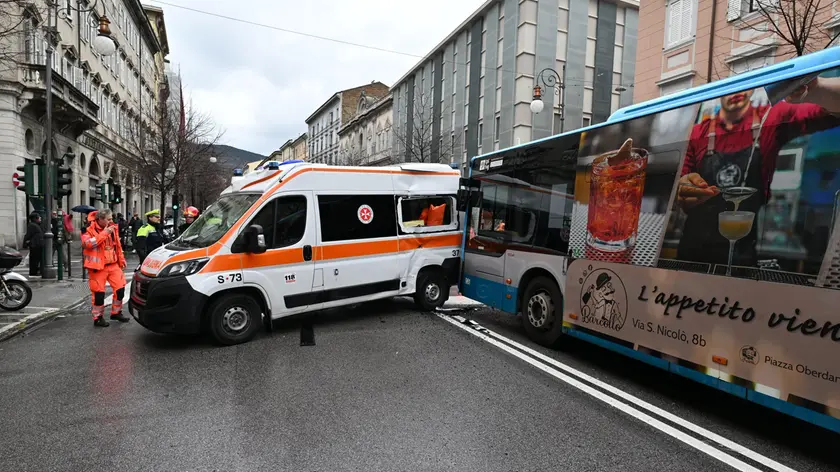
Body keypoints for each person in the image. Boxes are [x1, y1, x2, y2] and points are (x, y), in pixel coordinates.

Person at [676, 76, 840, 267]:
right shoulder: (698, 132)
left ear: (751, 90)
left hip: (741, 250)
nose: (737, 92)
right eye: (730, 87)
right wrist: (686, 191)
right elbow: (681, 186)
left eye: (744, 85)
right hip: (692, 249)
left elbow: (831, 112)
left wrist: (818, 87)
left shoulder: (771, 117)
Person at [81, 209, 129, 327]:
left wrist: (121, 260)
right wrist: (105, 233)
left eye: (111, 219)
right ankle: (98, 317)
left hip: (113, 265)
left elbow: (117, 246)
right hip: (97, 268)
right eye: (108, 219)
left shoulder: (112, 229)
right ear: (100, 219)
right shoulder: (88, 230)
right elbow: (88, 244)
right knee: (98, 295)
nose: (111, 221)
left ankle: (116, 312)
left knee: (120, 290)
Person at [23, 211, 43, 276]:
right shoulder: (32, 225)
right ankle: (33, 272)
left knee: (36, 259)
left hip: (37, 244)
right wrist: (25, 244)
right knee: (34, 259)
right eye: (39, 218)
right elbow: (28, 235)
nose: (40, 219)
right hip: (35, 245)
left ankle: (35, 270)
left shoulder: (35, 225)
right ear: (35, 219)